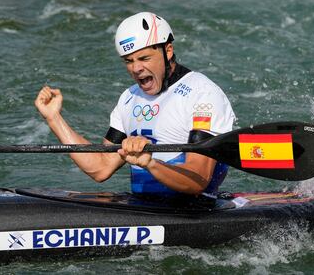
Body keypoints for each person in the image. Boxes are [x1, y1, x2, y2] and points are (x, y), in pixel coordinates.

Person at [35, 12, 235, 203]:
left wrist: (150, 163)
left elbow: (198, 179)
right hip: (143, 206)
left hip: (194, 210)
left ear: (168, 51)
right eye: (128, 61)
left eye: (144, 58)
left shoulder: (202, 93)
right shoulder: (129, 98)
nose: (135, 68)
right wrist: (54, 118)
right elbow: (101, 167)